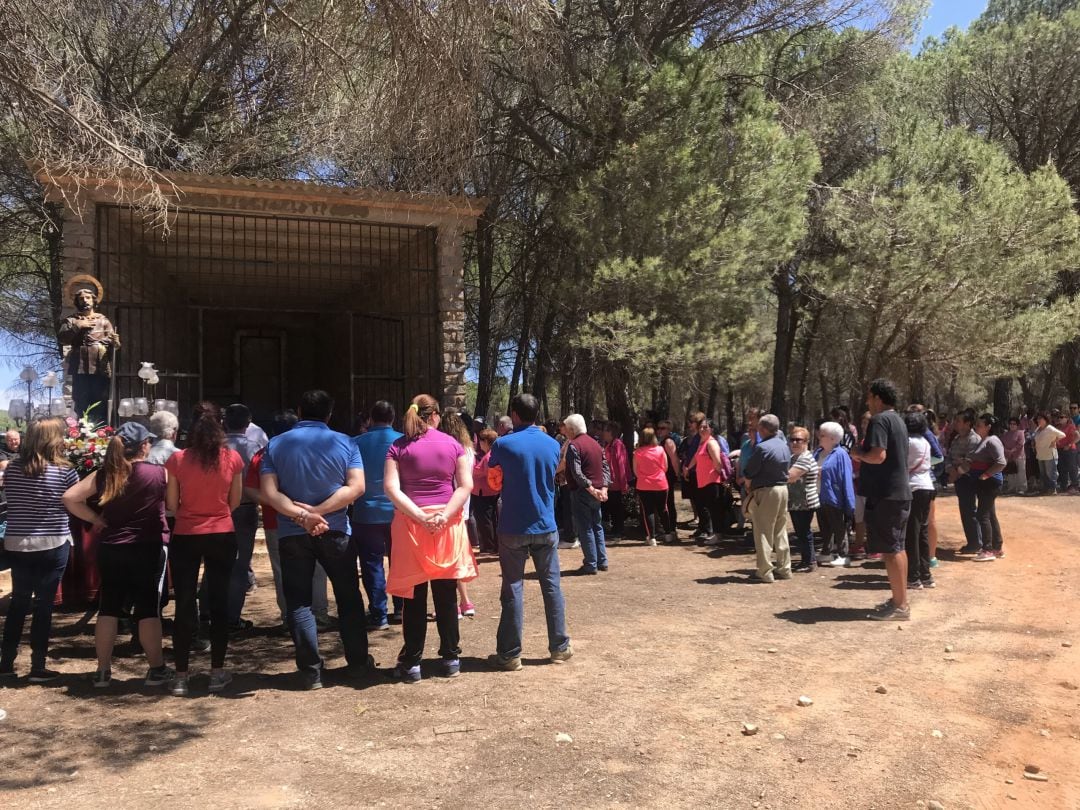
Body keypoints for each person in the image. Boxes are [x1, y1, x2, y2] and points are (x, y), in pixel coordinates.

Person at [260, 390, 369, 690]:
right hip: (335, 532)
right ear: (330, 414)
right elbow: (356, 487)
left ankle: (311, 671)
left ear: (298, 410)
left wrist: (302, 516)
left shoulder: (276, 444)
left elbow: (270, 493)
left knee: (299, 602)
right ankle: (358, 663)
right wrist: (320, 512)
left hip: (293, 533)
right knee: (348, 597)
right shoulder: (346, 442)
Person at [63, 422, 173, 687]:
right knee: (148, 609)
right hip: (148, 546)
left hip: (112, 547)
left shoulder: (105, 475)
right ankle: (156, 669)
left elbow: (69, 497)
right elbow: (172, 505)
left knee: (108, 607)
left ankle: (102, 671)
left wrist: (96, 519)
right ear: (144, 445)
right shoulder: (160, 473)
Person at [383, 394, 475, 682]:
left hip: (411, 526)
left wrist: (420, 516)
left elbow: (391, 489)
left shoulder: (397, 447)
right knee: (446, 594)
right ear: (435, 415)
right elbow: (465, 486)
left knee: (414, 598)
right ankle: (450, 658)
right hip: (447, 526)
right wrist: (444, 515)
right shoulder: (454, 445)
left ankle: (411, 663)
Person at [486, 393, 572, 671]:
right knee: (552, 586)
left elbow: (492, 476)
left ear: (515, 414)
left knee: (513, 587)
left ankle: (511, 654)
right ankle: (559, 647)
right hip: (546, 524)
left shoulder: (502, 444)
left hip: (513, 525)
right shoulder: (552, 444)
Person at [165, 403, 244, 695]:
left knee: (185, 602)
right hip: (222, 532)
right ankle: (217, 672)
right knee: (219, 601)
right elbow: (235, 501)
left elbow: (172, 505)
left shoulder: (177, 459)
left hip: (186, 533)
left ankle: (181, 676)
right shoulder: (232, 458)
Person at [0, 418, 78, 682]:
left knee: (18, 604)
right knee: (44, 605)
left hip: (17, 542)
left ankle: (6, 664)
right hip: (52, 542)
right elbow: (74, 503)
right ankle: (37, 666)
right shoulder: (66, 471)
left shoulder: (11, 469)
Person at [246, 413, 331, 635]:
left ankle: (289, 617)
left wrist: (277, 502)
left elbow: (251, 489)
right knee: (318, 567)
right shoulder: (314, 449)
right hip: (315, 516)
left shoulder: (263, 454)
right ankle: (319, 613)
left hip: (277, 521)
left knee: (282, 570)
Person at [852, 379, 911, 621]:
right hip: (897, 493)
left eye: (869, 397)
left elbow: (878, 456)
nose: (867, 401)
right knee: (897, 547)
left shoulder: (879, 420)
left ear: (878, 398)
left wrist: (858, 453)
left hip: (886, 494)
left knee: (892, 549)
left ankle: (900, 606)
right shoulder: (898, 420)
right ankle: (900, 600)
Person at [350, 400, 404, 631]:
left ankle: (378, 613)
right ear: (393, 418)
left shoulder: (355, 443)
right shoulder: (403, 441)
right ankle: (402, 608)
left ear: (370, 418)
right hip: (398, 512)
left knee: (371, 564)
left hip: (365, 513)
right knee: (400, 562)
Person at [57, 275, 120, 424]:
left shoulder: (103, 320)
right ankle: (82, 427)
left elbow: (114, 343)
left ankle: (101, 427)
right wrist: (78, 326)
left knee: (100, 396)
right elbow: (62, 337)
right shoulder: (71, 320)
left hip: (100, 363)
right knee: (81, 397)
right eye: (81, 298)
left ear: (94, 300)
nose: (85, 301)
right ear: (77, 302)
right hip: (80, 364)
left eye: (88, 298)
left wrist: (115, 342)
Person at [223, 403, 261, 633]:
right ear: (248, 424)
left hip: (216, 508)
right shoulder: (254, 447)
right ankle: (232, 618)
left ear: (224, 422)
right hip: (245, 508)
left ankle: (207, 613)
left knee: (215, 562)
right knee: (240, 563)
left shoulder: (215, 447)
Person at [743, 414, 791, 583]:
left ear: (762, 429)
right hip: (783, 489)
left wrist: (748, 485)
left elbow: (749, 471)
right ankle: (784, 568)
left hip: (766, 491)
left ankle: (765, 571)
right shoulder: (784, 446)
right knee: (780, 529)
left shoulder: (762, 448)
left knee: (763, 530)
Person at [439, 409, 479, 618]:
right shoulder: (469, 450)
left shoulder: (447, 449)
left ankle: (457, 604)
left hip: (447, 508)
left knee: (449, 559)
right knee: (459, 557)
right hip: (463, 507)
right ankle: (465, 602)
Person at [563, 413, 611, 575]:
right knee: (597, 526)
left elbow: (576, 473)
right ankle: (602, 560)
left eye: (566, 429)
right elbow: (605, 467)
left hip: (582, 491)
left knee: (585, 528)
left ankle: (591, 563)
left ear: (571, 429)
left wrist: (590, 488)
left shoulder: (574, 445)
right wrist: (603, 489)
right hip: (596, 491)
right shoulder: (596, 444)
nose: (565, 432)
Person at [815, 421, 855, 568]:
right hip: (818, 495)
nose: (819, 436)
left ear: (833, 438)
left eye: (823, 435)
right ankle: (826, 551)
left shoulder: (841, 454)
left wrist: (849, 502)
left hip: (834, 497)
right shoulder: (818, 452)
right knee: (824, 526)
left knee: (839, 526)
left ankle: (843, 555)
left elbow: (846, 478)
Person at [903, 412, 935, 590]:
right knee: (922, 532)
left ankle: (913, 577)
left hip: (913, 487)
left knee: (911, 534)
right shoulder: (925, 441)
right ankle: (926, 575)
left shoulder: (907, 442)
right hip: (927, 487)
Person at [969, 414, 1007, 561]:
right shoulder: (984, 440)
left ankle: (988, 549)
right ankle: (997, 548)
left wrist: (986, 475)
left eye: (979, 425)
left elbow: (1001, 462)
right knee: (989, 514)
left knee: (982, 515)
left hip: (990, 483)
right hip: (984, 482)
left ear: (988, 427)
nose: (976, 427)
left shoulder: (992, 441)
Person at [692, 419, 734, 547]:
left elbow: (717, 462)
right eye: (701, 427)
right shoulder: (702, 442)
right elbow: (696, 457)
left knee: (715, 509)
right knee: (710, 508)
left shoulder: (711, 443)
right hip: (704, 481)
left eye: (705, 427)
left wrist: (722, 478)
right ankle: (716, 533)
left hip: (713, 481)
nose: (702, 429)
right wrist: (688, 468)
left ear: (711, 429)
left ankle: (718, 534)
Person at [946, 410, 982, 553]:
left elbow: (969, 461)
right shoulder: (956, 439)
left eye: (959, 421)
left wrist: (957, 473)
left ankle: (976, 543)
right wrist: (950, 470)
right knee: (965, 511)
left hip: (969, 479)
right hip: (959, 479)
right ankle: (973, 541)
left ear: (967, 424)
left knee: (970, 511)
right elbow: (949, 457)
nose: (956, 423)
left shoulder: (974, 439)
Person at [786, 426, 820, 573]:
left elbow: (790, 476)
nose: (794, 443)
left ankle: (810, 561)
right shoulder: (794, 457)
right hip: (796, 502)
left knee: (804, 532)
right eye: (792, 439)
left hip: (805, 502)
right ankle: (806, 560)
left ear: (806, 442)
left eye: (798, 440)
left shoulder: (805, 458)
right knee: (800, 532)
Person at [632, 427, 669, 547]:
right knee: (663, 508)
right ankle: (668, 533)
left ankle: (651, 537)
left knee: (648, 511)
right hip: (661, 483)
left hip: (644, 485)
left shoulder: (637, 452)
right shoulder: (660, 450)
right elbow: (665, 467)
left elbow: (635, 471)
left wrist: (644, 477)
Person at [471, 428, 501, 554]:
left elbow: (486, 472)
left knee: (485, 519)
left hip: (484, 492)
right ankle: (491, 545)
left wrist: (472, 470)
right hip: (486, 492)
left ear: (487, 442)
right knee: (489, 518)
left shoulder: (489, 457)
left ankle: (489, 546)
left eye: (482, 441)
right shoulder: (490, 455)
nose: (479, 443)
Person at [600, 422, 630, 538]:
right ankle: (615, 528)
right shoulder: (608, 445)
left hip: (616, 482)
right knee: (612, 506)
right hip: (610, 483)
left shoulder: (618, 445)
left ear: (611, 432)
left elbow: (621, 464)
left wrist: (624, 484)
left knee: (617, 507)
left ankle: (619, 530)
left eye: (605, 430)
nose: (603, 433)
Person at [655, 420, 681, 541]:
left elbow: (674, 460)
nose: (660, 430)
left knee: (669, 503)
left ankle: (672, 530)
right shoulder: (661, 441)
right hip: (663, 476)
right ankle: (669, 529)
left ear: (669, 430)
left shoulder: (669, 441)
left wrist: (677, 475)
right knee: (665, 503)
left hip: (669, 476)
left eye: (663, 428)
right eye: (658, 428)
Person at [1033, 413, 1065, 494]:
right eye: (1038, 419)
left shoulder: (1050, 428)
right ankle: (1046, 488)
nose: (1038, 420)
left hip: (1050, 454)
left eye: (1041, 418)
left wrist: (1054, 441)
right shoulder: (1038, 429)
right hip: (1040, 454)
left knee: (1051, 473)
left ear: (1045, 420)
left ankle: (1053, 489)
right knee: (1043, 473)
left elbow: (1062, 435)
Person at [1001, 417, 1028, 495]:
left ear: (1017, 425)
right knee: (1011, 473)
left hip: (1019, 456)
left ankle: (1022, 488)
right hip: (1009, 457)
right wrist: (1007, 450)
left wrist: (1012, 450)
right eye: (1011, 424)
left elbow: (1021, 443)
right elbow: (1001, 443)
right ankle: (1011, 487)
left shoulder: (1020, 432)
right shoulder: (1006, 434)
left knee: (1021, 472)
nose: (1012, 425)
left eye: (1014, 424)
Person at [1054, 411, 1079, 493]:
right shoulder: (1058, 428)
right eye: (1059, 417)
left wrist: (1069, 444)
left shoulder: (1071, 426)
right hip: (1060, 450)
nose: (1060, 419)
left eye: (1062, 417)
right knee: (1062, 468)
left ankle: (1074, 485)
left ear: (1067, 418)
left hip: (1070, 450)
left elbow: (1078, 436)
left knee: (1072, 468)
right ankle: (1064, 486)